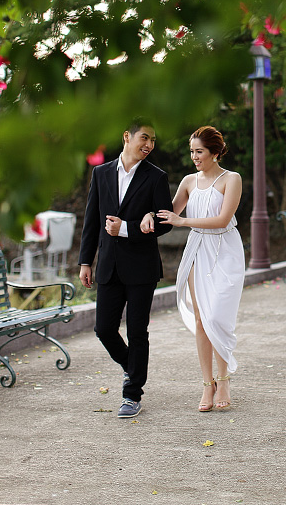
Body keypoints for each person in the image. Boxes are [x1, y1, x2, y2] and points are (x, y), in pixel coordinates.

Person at [78, 119, 174, 418]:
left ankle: (132, 394)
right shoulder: (102, 173)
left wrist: (128, 228)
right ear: (127, 137)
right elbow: (92, 220)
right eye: (144, 138)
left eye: (153, 141)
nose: (149, 145)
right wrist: (85, 261)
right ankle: (132, 368)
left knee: (137, 331)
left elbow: (164, 222)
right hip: (108, 266)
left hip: (142, 267)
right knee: (103, 329)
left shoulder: (156, 177)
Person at [151, 125, 244, 412]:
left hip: (226, 251)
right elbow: (169, 214)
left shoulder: (232, 179)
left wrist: (183, 222)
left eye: (199, 151)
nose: (194, 157)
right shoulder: (189, 181)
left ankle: (224, 379)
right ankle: (208, 384)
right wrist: (143, 217)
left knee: (219, 316)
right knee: (203, 319)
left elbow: (222, 219)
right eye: (192, 151)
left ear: (215, 152)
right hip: (197, 251)